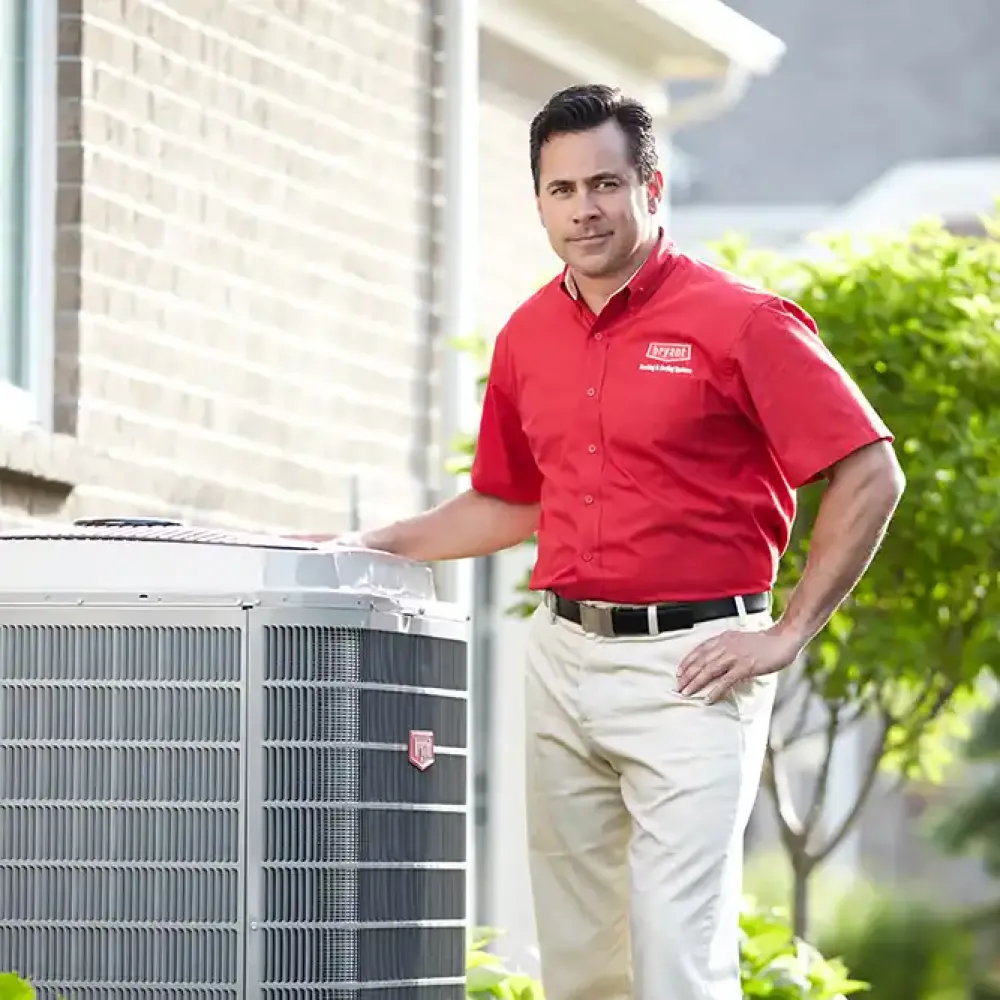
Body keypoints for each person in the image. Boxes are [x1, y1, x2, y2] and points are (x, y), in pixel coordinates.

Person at [304, 85, 905, 1000]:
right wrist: (369, 541)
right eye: (561, 190)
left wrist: (787, 632)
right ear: (540, 201)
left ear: (651, 186)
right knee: (583, 964)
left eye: (605, 184)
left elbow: (870, 471)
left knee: (677, 960)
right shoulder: (527, 336)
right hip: (561, 659)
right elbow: (507, 503)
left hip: (694, 666)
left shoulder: (743, 322)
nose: (584, 209)